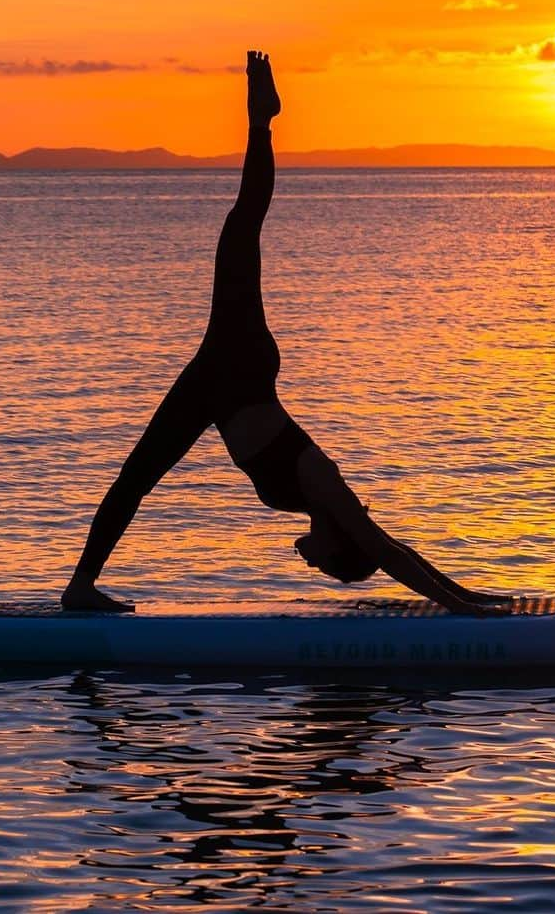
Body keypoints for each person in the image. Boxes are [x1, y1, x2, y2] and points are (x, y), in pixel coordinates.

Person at [62, 51, 513, 615]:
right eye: (326, 563)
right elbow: (386, 552)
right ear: (339, 541)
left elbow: (392, 547)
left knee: (137, 476)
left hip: (220, 387)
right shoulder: (327, 492)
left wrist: (468, 595)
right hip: (238, 365)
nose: (311, 563)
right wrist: (467, 610)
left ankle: (80, 587)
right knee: (240, 228)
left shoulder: (323, 504)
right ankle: (262, 121)